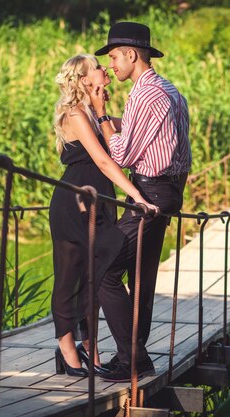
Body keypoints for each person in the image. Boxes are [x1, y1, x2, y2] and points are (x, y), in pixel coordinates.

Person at [90, 21, 192, 382]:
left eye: (115, 56)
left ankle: (132, 357)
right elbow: (158, 141)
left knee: (103, 269)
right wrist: (115, 122)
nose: (113, 64)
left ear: (132, 55)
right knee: (142, 276)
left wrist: (101, 116)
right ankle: (133, 355)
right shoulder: (169, 90)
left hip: (148, 194)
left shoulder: (145, 96)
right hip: (168, 191)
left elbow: (122, 153)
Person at [49, 54, 158, 377]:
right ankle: (68, 349)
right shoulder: (74, 114)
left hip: (99, 203)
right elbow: (104, 162)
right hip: (74, 203)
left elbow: (130, 135)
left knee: (96, 276)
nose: (104, 68)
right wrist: (137, 196)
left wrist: (105, 110)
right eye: (97, 66)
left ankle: (93, 350)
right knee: (70, 276)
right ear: (84, 80)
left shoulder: (96, 115)